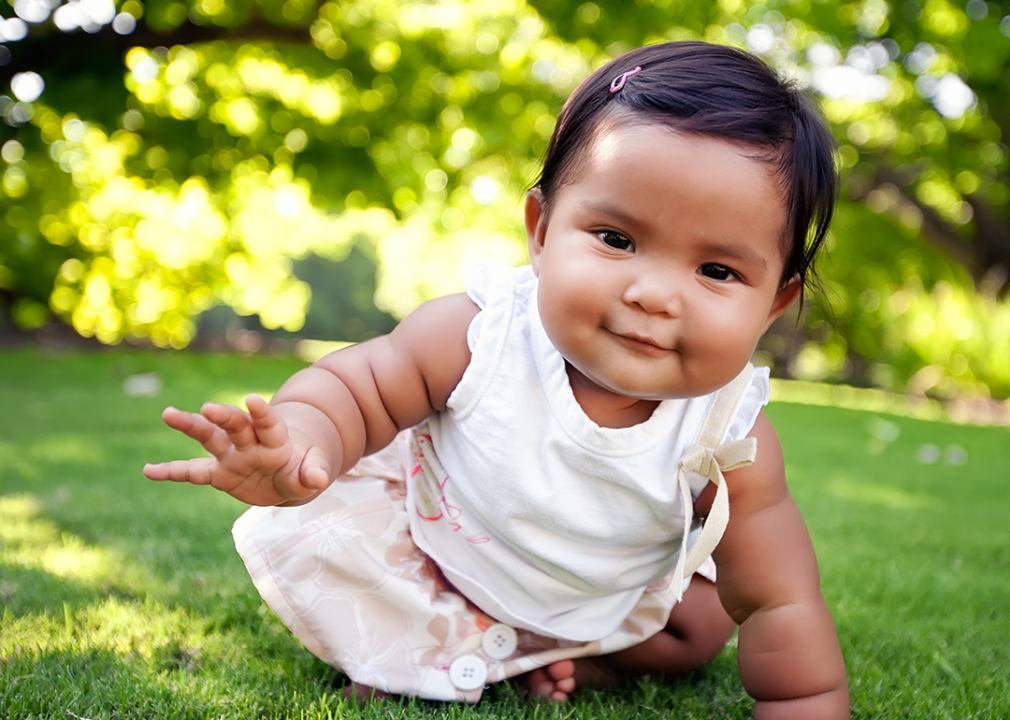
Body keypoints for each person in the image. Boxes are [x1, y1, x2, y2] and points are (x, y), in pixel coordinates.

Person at [144, 41, 849, 718]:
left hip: (599, 593)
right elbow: (359, 388)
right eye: (617, 239)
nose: (655, 294)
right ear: (540, 231)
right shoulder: (479, 336)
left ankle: (566, 657)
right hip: (441, 551)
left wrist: (803, 700)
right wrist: (303, 442)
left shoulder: (730, 435)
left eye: (717, 272)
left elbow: (778, 598)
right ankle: (419, 661)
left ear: (773, 305)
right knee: (363, 572)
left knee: (698, 628)